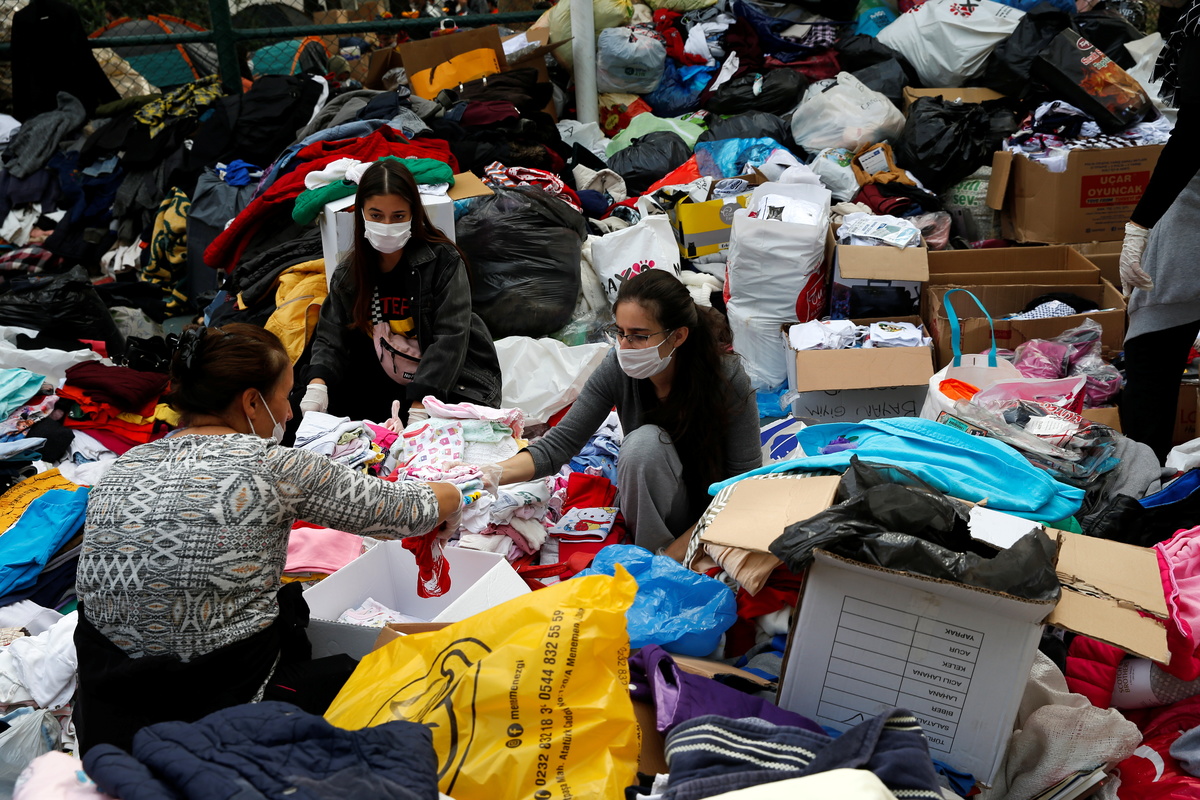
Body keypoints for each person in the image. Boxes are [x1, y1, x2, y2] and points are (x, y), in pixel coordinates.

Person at [74, 324, 463, 754]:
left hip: (110, 714)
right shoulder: (273, 466)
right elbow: (403, 512)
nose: (290, 413)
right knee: (392, 688)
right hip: (218, 704)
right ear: (251, 402)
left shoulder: (123, 467)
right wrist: (456, 492)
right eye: (284, 396)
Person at [481, 270, 760, 554]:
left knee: (644, 444)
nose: (625, 346)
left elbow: (744, 484)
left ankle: (660, 560)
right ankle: (650, 552)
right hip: (656, 513)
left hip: (716, 513)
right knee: (643, 446)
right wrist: (488, 474)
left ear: (678, 336)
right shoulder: (618, 368)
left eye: (639, 336)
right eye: (620, 333)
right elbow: (559, 444)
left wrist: (676, 555)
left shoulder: (727, 379)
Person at [299, 159, 502, 425]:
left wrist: (421, 405)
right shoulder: (350, 274)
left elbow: (450, 337)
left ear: (413, 214)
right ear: (361, 214)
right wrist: (317, 384)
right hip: (385, 381)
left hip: (449, 380)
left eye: (398, 216)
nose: (386, 225)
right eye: (376, 216)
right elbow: (330, 336)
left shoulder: (444, 262)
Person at [1119, 13, 1200, 463]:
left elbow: (1193, 134)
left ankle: (1143, 480)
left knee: (1152, 351)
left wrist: (1139, 225)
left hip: (1192, 207)